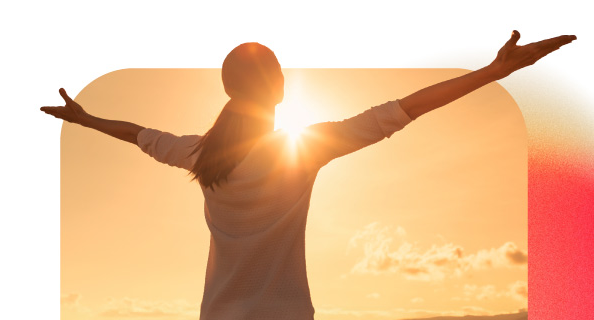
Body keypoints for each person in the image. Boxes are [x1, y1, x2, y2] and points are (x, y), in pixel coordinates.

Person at [42, 31, 575, 319]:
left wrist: (85, 119)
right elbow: (403, 109)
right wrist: (493, 72)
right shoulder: (302, 149)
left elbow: (138, 133)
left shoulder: (201, 154)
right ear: (277, 85)